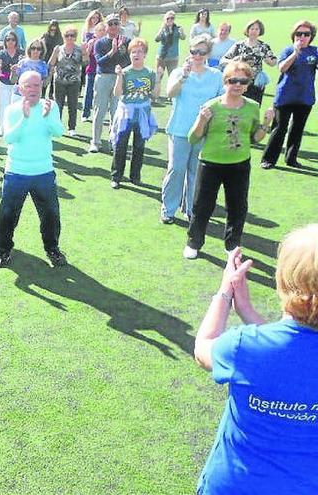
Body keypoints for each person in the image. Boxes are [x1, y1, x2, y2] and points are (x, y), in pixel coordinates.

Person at [193, 226, 318, 495]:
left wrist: (225, 292)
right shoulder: (251, 347)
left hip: (233, 486)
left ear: (284, 281)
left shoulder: (244, 347)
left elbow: (203, 348)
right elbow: (297, 360)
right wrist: (248, 311)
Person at [183, 62, 274, 259]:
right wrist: (201, 120)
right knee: (202, 206)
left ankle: (232, 244)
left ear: (248, 84)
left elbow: (255, 138)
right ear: (225, 82)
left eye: (243, 81)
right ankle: (194, 242)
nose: (238, 85)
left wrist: (266, 123)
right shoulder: (211, 106)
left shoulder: (252, 107)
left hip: (239, 164)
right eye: (233, 80)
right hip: (210, 164)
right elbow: (193, 138)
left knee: (238, 206)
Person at [0, 71, 66, 269]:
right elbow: (9, 138)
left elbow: (59, 132)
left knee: (51, 214)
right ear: (20, 88)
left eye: (37, 85)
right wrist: (24, 118)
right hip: (16, 172)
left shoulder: (50, 106)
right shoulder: (12, 110)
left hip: (43, 171)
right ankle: (3, 251)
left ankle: (52, 249)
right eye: (29, 85)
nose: (33, 89)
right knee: (7, 215)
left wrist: (47, 117)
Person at [161, 35, 223, 223]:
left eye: (201, 52)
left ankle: (191, 209)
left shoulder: (216, 75)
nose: (197, 55)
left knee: (196, 172)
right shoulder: (179, 72)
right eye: (193, 51)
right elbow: (170, 93)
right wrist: (184, 77)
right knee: (176, 169)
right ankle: (168, 209)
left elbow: (221, 100)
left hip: (204, 131)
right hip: (180, 129)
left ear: (208, 53)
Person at [260, 21, 316, 170]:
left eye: (306, 34)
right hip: (285, 96)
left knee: (297, 129)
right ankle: (268, 159)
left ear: (311, 36)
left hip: (305, 97)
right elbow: (282, 68)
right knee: (279, 128)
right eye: (299, 34)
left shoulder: (314, 52)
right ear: (294, 35)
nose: (302, 37)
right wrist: (295, 53)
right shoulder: (287, 50)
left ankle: (291, 158)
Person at [109, 38, 160, 189]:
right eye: (133, 52)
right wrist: (119, 76)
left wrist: (158, 78)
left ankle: (135, 176)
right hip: (126, 113)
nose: (136, 54)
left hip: (142, 113)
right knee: (120, 144)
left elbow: (155, 95)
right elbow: (118, 93)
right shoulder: (125, 72)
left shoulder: (150, 73)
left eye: (139, 52)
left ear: (145, 54)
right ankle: (116, 176)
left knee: (139, 146)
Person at [90, 14, 129, 153]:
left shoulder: (126, 41)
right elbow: (99, 61)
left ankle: (114, 141)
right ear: (106, 27)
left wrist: (120, 50)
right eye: (111, 24)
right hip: (103, 78)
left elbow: (128, 62)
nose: (113, 27)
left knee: (116, 112)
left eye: (116, 24)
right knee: (99, 111)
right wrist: (112, 51)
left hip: (118, 79)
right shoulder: (100, 43)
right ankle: (95, 141)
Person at [220, 19, 277, 105]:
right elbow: (223, 60)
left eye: (257, 29)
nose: (254, 31)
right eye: (252, 29)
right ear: (247, 30)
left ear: (260, 31)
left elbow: (273, 62)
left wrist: (267, 59)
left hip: (256, 84)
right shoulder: (239, 45)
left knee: (254, 107)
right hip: (239, 82)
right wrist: (234, 61)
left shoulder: (264, 46)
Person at [48, 25, 84, 136]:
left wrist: (86, 52)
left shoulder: (79, 49)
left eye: (72, 35)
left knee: (73, 106)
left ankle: (71, 128)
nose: (69, 38)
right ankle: (57, 127)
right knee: (58, 105)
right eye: (67, 35)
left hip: (74, 81)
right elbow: (51, 64)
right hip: (59, 81)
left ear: (75, 37)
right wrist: (54, 53)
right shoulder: (59, 49)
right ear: (64, 37)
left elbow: (86, 63)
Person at [0, 31, 24, 136]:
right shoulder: (1, 53)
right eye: (8, 39)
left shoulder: (21, 53)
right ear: (5, 41)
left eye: (12, 39)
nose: (10, 42)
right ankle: (2, 128)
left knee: (16, 107)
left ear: (16, 41)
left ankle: (15, 127)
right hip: (3, 83)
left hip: (17, 84)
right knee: (3, 106)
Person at [154, 11, 185, 97]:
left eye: (172, 18)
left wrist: (181, 32)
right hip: (162, 57)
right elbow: (156, 39)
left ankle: (171, 95)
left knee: (173, 77)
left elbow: (183, 37)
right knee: (158, 77)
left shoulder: (177, 28)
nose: (170, 20)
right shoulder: (163, 29)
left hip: (173, 57)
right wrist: (161, 30)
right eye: (168, 18)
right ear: (165, 19)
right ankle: (156, 95)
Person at [82, 22, 107, 123]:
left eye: (103, 30)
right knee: (89, 92)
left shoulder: (107, 42)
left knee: (101, 95)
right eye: (99, 30)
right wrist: (88, 47)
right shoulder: (91, 42)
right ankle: (85, 113)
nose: (101, 32)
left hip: (103, 72)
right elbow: (86, 57)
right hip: (91, 70)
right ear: (95, 32)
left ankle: (98, 114)